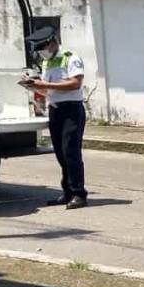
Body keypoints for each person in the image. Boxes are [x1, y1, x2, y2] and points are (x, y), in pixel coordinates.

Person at [20, 26, 88, 209]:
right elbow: (47, 89)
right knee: (60, 153)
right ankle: (67, 192)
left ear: (52, 43)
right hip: (55, 110)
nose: (41, 52)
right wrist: (33, 86)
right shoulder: (47, 63)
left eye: (42, 47)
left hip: (72, 110)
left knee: (70, 152)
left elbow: (75, 83)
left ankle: (79, 193)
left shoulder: (70, 57)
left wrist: (45, 84)